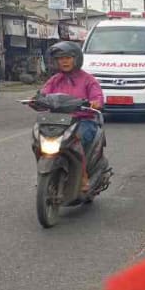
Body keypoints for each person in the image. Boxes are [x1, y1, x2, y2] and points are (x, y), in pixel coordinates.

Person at [41, 41, 104, 192]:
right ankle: (45, 171)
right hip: (58, 121)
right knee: (38, 141)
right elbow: (42, 94)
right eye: (61, 58)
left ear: (76, 59)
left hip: (83, 120)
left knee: (76, 140)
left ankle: (83, 176)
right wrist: (36, 100)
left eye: (68, 57)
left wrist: (95, 103)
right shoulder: (55, 80)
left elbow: (98, 98)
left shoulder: (89, 80)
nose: (64, 61)